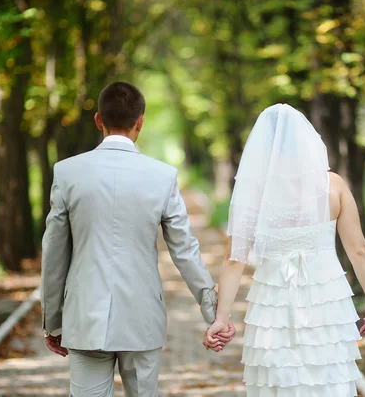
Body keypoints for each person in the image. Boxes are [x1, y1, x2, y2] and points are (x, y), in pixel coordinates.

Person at [40, 81, 235, 397]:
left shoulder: (67, 173)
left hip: (85, 317)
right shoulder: (162, 176)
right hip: (142, 318)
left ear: (98, 120)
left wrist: (53, 320)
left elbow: (54, 251)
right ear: (140, 122)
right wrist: (213, 313)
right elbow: (184, 249)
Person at [203, 103, 365, 396]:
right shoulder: (333, 186)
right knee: (328, 379)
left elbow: (234, 260)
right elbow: (358, 251)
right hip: (327, 304)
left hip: (272, 308)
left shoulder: (254, 193)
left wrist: (222, 318)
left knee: (278, 381)